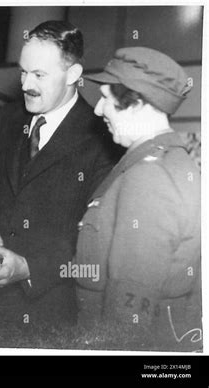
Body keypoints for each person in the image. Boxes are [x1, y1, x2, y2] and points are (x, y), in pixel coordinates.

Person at [0, 20, 123, 344]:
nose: (25, 84)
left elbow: (91, 237)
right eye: (23, 72)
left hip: (50, 315)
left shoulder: (102, 138)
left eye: (39, 75)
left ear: (74, 75)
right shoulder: (9, 117)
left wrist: (29, 267)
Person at [73, 47, 201, 352]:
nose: (98, 109)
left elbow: (128, 316)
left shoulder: (149, 177)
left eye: (107, 98)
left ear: (138, 102)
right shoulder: (169, 162)